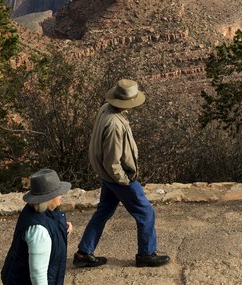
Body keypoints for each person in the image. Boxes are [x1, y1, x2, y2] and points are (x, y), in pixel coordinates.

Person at [73, 79, 170, 269]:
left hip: (106, 176)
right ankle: (146, 254)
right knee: (145, 212)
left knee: (104, 211)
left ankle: (84, 252)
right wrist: (125, 181)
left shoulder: (106, 109)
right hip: (117, 177)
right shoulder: (115, 125)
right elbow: (112, 161)